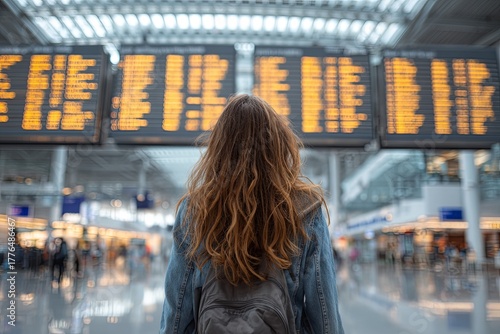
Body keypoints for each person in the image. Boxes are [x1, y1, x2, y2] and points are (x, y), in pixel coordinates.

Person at [160, 94, 344, 333]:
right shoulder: (305, 209)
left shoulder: (196, 209)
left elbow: (177, 309)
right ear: (278, 145)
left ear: (219, 149)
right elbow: (324, 311)